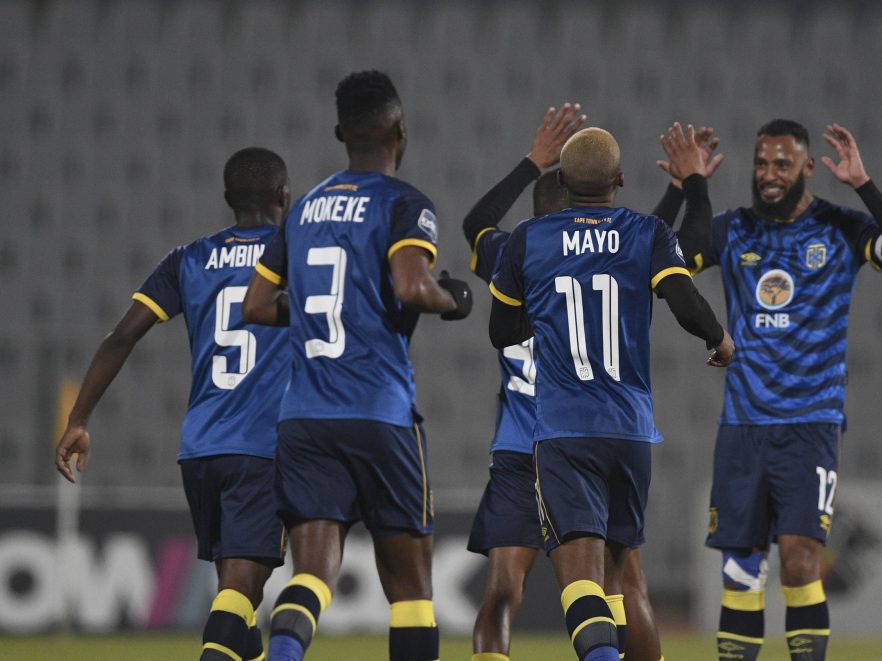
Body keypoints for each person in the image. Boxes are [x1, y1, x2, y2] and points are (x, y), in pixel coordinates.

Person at [465, 107, 720, 661]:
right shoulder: (633, 242)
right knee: (625, 584)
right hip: (613, 430)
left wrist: (532, 158)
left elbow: (475, 223)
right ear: (616, 185)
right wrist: (685, 186)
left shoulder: (518, 248)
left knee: (505, 589)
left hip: (525, 442)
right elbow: (687, 243)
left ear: (554, 187)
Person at [241, 70, 472, 661]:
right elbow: (413, 286)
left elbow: (257, 305)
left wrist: (328, 310)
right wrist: (454, 298)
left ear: (340, 131)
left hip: (306, 418)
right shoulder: (405, 204)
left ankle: (286, 655)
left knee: (312, 573)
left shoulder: (305, 208)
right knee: (412, 590)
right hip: (379, 415)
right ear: (401, 129)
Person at [676, 120, 882, 661]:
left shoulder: (841, 227)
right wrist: (693, 184)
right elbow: (681, 256)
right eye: (761, 164)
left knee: (800, 558)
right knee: (740, 568)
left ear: (807, 168)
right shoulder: (733, 227)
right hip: (743, 426)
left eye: (781, 165)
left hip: (810, 423)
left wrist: (863, 183)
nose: (768, 175)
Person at [54, 147, 293, 661]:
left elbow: (121, 337)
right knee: (240, 594)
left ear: (228, 200)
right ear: (283, 196)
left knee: (238, 607)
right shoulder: (296, 252)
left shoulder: (189, 258)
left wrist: (79, 419)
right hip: (261, 448)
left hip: (200, 450)